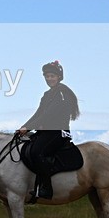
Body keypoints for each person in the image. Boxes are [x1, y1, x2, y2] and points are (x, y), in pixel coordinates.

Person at [17, 61, 80, 199]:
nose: (49, 79)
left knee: (36, 151)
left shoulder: (62, 94)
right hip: (46, 131)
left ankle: (46, 188)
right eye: (47, 76)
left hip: (58, 132)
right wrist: (23, 127)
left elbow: (48, 115)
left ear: (58, 77)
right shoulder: (47, 95)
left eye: (52, 76)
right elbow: (38, 114)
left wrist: (28, 127)